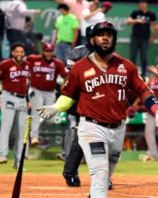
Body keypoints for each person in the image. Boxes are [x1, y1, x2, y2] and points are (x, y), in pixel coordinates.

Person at [37, 21, 158, 198]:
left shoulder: (126, 66)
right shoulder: (80, 68)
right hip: (92, 127)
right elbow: (68, 96)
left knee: (105, 179)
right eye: (101, 34)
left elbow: (143, 90)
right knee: (100, 172)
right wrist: (55, 107)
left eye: (109, 34)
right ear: (93, 39)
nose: (105, 38)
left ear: (114, 39)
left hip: (118, 128)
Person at [62, 25, 94, 187]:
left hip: (101, 99)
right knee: (80, 137)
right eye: (97, 34)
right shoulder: (79, 51)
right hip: (81, 97)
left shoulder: (107, 54)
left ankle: (102, 176)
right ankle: (70, 172)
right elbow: (71, 72)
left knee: (105, 139)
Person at [0, 43, 30, 169]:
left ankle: (19, 162)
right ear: (13, 52)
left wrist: (28, 99)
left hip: (22, 99)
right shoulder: (5, 64)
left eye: (21, 51)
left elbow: (28, 83)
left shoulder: (27, 65)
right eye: (17, 51)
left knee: (22, 132)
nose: (19, 54)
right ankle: (2, 155)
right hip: (8, 96)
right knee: (6, 127)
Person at [27, 42, 68, 145]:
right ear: (43, 51)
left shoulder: (57, 63)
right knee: (36, 113)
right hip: (36, 90)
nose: (49, 53)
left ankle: (33, 124)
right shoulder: (33, 59)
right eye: (47, 51)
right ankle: (34, 137)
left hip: (50, 92)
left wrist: (64, 86)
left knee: (51, 118)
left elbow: (66, 76)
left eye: (50, 51)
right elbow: (22, 64)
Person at [126, 0, 156, 78]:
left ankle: (143, 73)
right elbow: (128, 21)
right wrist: (137, 20)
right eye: (140, 3)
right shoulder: (135, 13)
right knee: (133, 56)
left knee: (144, 56)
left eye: (143, 3)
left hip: (145, 39)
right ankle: (131, 73)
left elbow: (154, 26)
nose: (142, 4)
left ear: (146, 4)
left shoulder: (151, 14)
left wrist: (153, 36)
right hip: (135, 37)